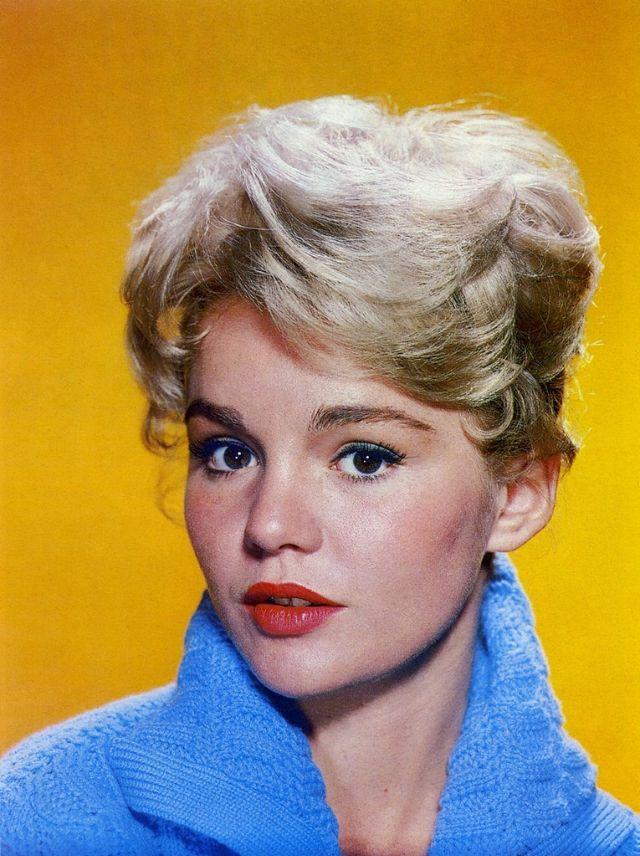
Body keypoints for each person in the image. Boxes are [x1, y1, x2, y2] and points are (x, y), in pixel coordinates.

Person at [1, 95, 638, 856]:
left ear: (518, 494)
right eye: (228, 453)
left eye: (364, 458)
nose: (270, 525)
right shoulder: (40, 823)